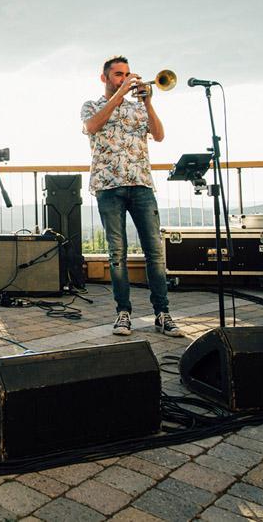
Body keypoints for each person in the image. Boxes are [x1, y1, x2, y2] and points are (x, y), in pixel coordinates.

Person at [81, 55, 181, 337]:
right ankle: (123, 314)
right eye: (118, 75)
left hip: (141, 185)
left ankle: (163, 313)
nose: (124, 79)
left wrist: (148, 102)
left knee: (155, 253)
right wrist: (120, 96)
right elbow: (91, 127)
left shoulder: (139, 109)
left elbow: (159, 136)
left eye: (127, 74)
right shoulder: (91, 105)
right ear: (105, 78)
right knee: (117, 255)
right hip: (108, 186)